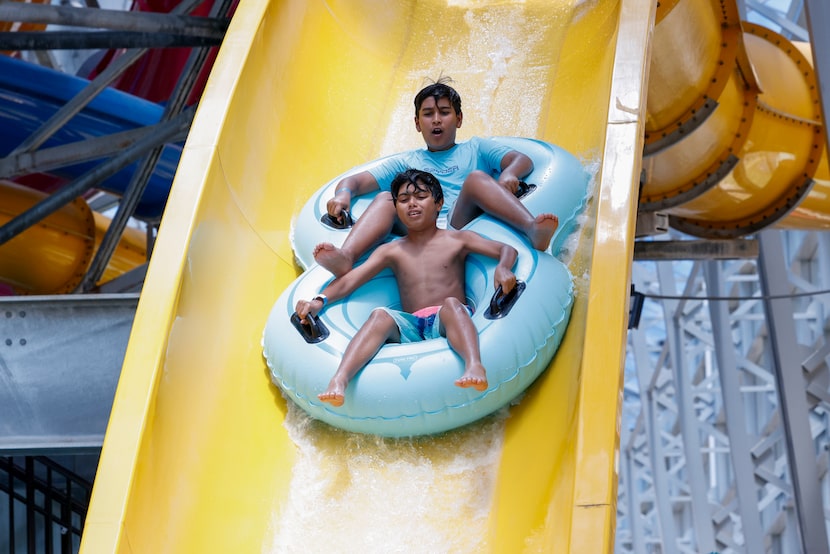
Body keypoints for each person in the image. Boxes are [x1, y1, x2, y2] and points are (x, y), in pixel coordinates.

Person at [295, 169, 519, 407]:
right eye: (403, 200)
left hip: (447, 319)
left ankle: (474, 364)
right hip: (410, 324)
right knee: (379, 315)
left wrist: (503, 268)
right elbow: (351, 280)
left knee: (452, 305)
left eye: (421, 197)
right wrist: (318, 301)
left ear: (439, 203)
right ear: (397, 210)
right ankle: (339, 380)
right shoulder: (392, 250)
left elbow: (507, 250)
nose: (412, 204)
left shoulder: (458, 239)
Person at [313, 78, 558, 278]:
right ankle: (346, 256)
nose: (437, 120)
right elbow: (354, 182)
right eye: (428, 114)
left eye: (444, 112)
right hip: (416, 225)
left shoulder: (475, 148)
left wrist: (509, 175)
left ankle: (531, 228)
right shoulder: (406, 162)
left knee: (475, 179)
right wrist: (344, 194)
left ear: (459, 119)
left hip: (458, 221)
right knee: (386, 198)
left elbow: (522, 160)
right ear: (418, 123)